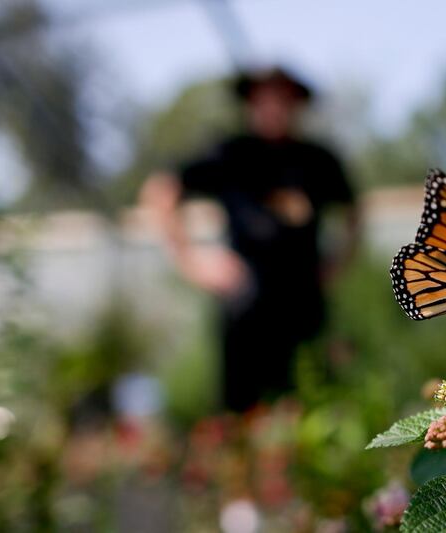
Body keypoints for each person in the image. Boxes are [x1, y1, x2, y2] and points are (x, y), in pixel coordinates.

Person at [141, 67, 359, 413]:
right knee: (242, 412)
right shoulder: (230, 154)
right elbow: (161, 191)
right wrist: (193, 262)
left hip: (304, 305)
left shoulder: (318, 160)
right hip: (246, 309)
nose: (273, 106)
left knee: (313, 405)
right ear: (250, 103)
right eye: (264, 97)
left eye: (281, 97)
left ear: (295, 102)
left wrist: (337, 263)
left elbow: (353, 212)